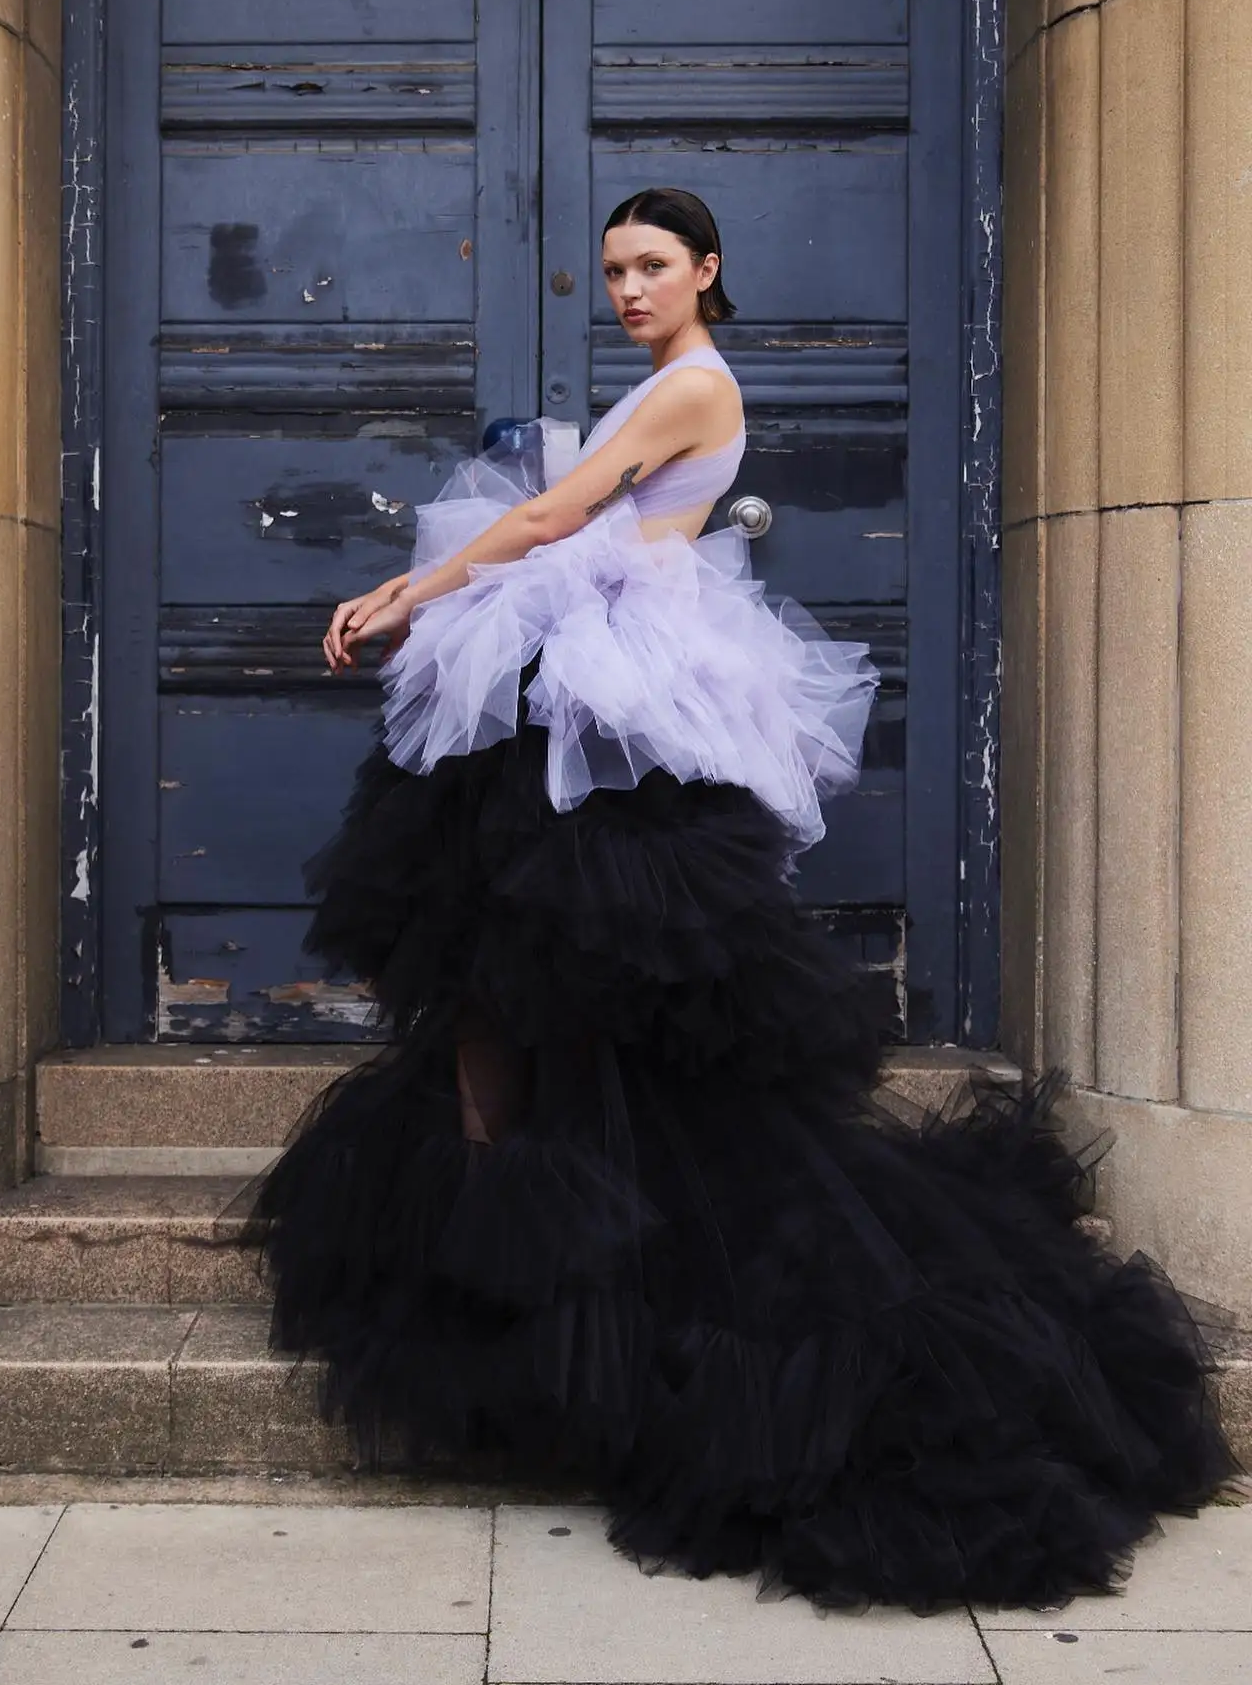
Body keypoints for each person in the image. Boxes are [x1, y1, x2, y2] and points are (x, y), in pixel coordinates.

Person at [244, 186, 1235, 1610]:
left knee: (555, 963)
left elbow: (565, 507)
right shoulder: (667, 383)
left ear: (707, 271)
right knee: (504, 962)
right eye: (614, 272)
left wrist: (418, 591)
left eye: (652, 266)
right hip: (598, 676)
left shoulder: (692, 387)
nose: (629, 288)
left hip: (614, 688)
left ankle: (555, 1234)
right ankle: (515, 1214)